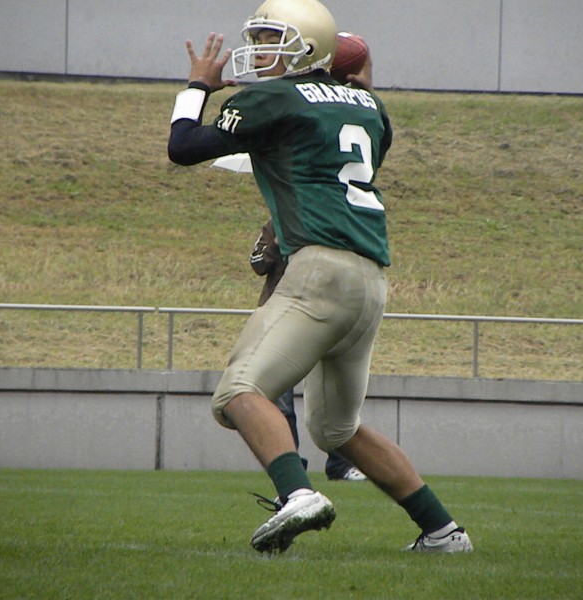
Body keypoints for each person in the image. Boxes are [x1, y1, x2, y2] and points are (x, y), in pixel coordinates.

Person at [168, 0, 472, 554]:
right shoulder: (371, 107)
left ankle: (297, 494)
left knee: (238, 392)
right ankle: (443, 532)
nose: (259, 50)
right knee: (337, 430)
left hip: (320, 272)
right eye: (259, 39)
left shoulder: (274, 98)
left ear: (307, 46)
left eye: (272, 39)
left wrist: (198, 87)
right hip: (370, 280)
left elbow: (183, 147)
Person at [250, 218, 367, 481]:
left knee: (333, 398)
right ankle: (292, 470)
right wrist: (277, 243)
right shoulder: (276, 223)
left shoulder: (328, 221)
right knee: (281, 403)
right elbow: (257, 264)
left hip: (323, 316)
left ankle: (340, 465)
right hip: (281, 320)